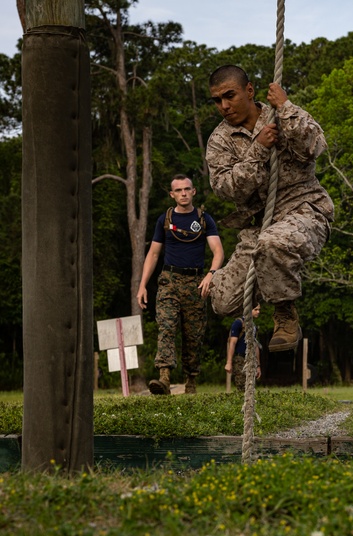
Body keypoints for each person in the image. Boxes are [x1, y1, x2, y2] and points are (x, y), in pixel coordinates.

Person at [205, 65, 334, 352]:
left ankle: (285, 314)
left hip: (303, 209)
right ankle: (271, 274)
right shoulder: (220, 140)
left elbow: (316, 146)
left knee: (273, 242)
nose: (224, 106)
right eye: (217, 100)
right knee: (222, 300)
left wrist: (286, 106)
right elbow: (226, 188)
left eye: (230, 96)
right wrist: (258, 149)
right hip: (258, 225)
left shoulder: (280, 114)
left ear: (249, 91)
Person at [137, 174, 224, 395]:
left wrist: (211, 274)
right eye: (178, 190)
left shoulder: (205, 219)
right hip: (169, 281)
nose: (183, 193)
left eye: (187, 189)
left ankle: (191, 382)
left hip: (196, 282)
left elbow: (218, 251)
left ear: (193, 192)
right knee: (166, 326)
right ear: (172, 194)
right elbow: (154, 254)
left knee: (193, 334)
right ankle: (164, 377)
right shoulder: (164, 219)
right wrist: (142, 284)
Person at [226, 304, 261, 392]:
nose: (258, 312)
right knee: (242, 387)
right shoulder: (238, 323)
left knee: (251, 388)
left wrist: (258, 366)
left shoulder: (253, 326)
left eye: (259, 310)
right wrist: (229, 362)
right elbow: (232, 343)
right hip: (240, 358)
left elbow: (255, 346)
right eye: (256, 309)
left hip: (251, 359)